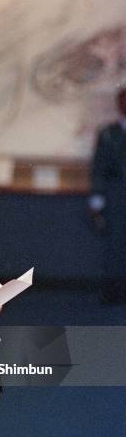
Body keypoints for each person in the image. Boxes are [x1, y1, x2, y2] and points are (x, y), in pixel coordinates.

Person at [90, 86, 126, 302]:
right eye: (123, 101)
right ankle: (114, 291)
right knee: (115, 244)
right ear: (118, 105)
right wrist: (97, 197)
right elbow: (99, 166)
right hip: (116, 194)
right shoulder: (108, 133)